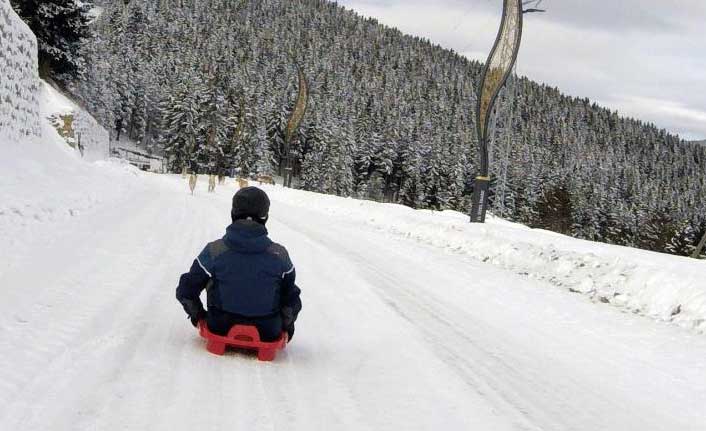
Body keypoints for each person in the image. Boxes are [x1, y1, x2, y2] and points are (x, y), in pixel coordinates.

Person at [176, 187, 302, 342]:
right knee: (285, 288)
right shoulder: (280, 254)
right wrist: (286, 327)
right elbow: (291, 299)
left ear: (233, 214)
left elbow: (186, 290)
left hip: (219, 326)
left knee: (211, 276)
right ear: (265, 217)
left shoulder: (214, 251)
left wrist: (199, 317)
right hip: (268, 331)